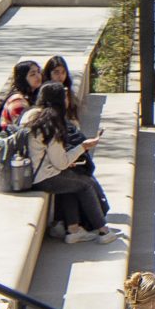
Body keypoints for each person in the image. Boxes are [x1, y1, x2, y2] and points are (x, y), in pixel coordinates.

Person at [24, 83, 109, 242]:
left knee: (71, 182)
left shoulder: (31, 115)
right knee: (86, 184)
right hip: (43, 178)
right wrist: (83, 147)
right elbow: (61, 163)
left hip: (28, 173)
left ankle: (73, 230)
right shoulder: (50, 124)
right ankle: (104, 230)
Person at [0, 60, 42, 129]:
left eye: (39, 72)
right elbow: (23, 127)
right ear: (23, 79)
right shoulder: (17, 101)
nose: (38, 76)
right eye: (32, 74)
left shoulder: (33, 96)